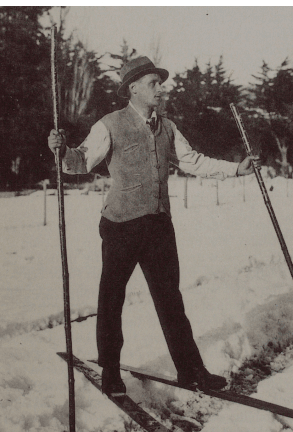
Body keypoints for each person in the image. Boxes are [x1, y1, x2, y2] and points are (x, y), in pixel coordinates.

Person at [47, 56, 255, 396]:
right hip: (121, 226)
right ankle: (111, 373)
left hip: (159, 225)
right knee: (112, 300)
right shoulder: (110, 124)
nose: (161, 89)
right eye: (153, 84)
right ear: (133, 88)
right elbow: (81, 160)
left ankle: (191, 371)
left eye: (161, 83)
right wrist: (60, 152)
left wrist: (235, 169)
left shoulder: (168, 127)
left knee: (171, 301)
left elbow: (193, 161)